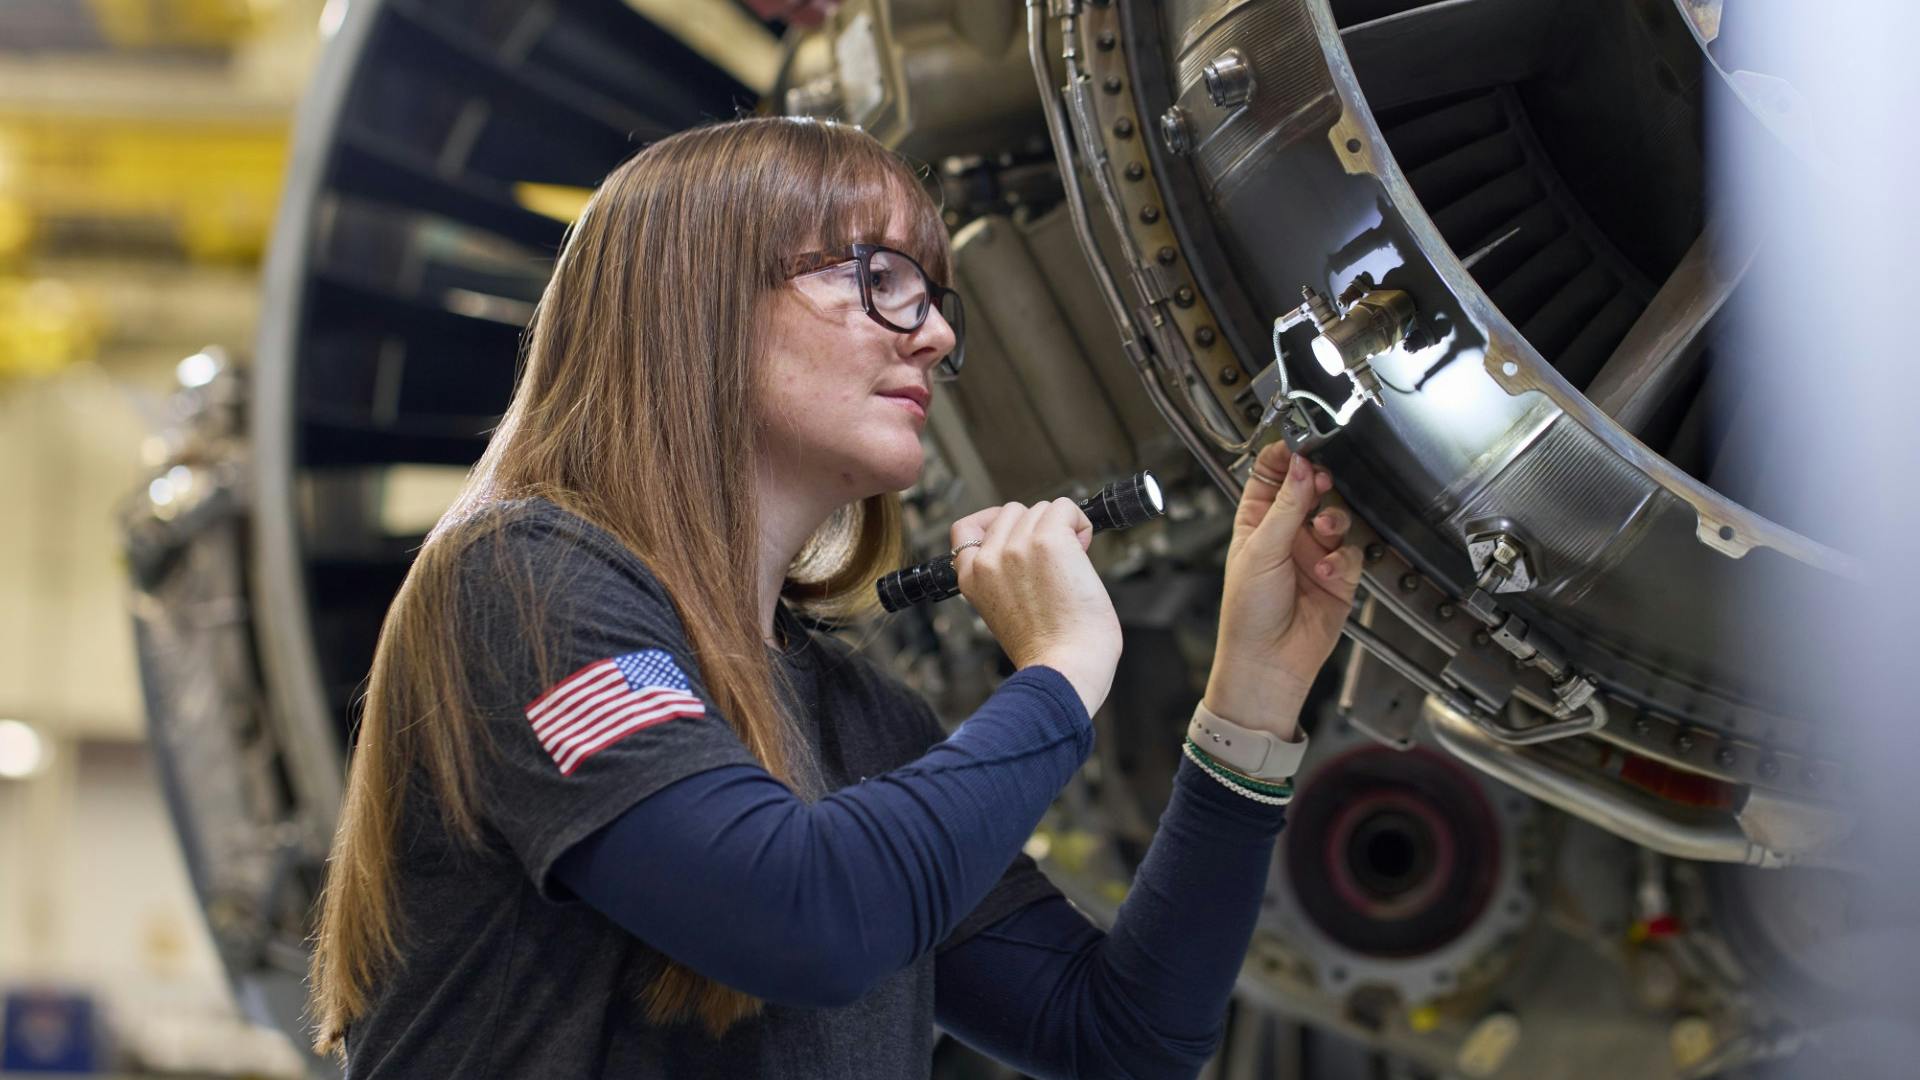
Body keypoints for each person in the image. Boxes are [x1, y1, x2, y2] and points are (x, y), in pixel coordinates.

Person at [307, 116, 1360, 1078]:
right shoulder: (523, 584)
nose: (937, 335)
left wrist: (1252, 701)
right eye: (882, 277)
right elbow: (802, 921)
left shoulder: (853, 715)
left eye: (933, 297)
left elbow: (1123, 1039)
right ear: (698, 298)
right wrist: (1062, 669)